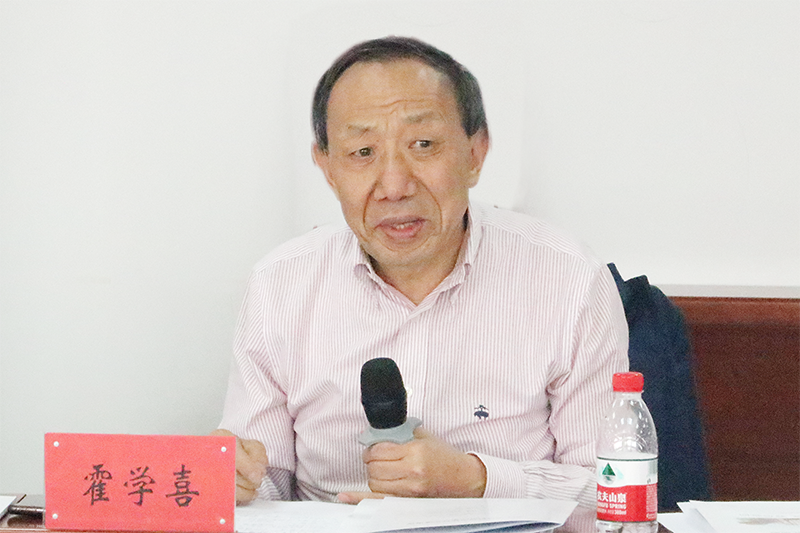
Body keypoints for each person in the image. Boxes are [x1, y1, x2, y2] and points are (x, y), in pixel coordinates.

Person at [213, 36, 628, 510]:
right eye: (362, 152)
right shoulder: (279, 286)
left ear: (475, 153)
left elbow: (616, 493)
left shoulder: (568, 279)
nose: (394, 186)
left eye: (423, 145)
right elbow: (263, 487)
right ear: (327, 168)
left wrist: (479, 481)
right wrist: (237, 481)